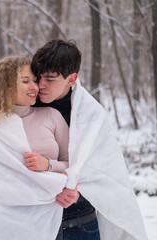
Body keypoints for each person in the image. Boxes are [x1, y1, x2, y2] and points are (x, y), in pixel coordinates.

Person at [24, 39, 148, 240]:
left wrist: (77, 192)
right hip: (36, 221)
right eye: (38, 77)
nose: (41, 85)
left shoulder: (91, 115)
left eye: (50, 78)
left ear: (71, 79)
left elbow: (105, 174)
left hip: (79, 223)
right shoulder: (25, 108)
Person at [0, 56, 73, 240]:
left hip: (49, 221)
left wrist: (47, 165)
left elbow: (75, 164)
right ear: (6, 85)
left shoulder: (51, 116)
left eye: (35, 80)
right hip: (5, 225)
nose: (35, 87)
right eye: (25, 81)